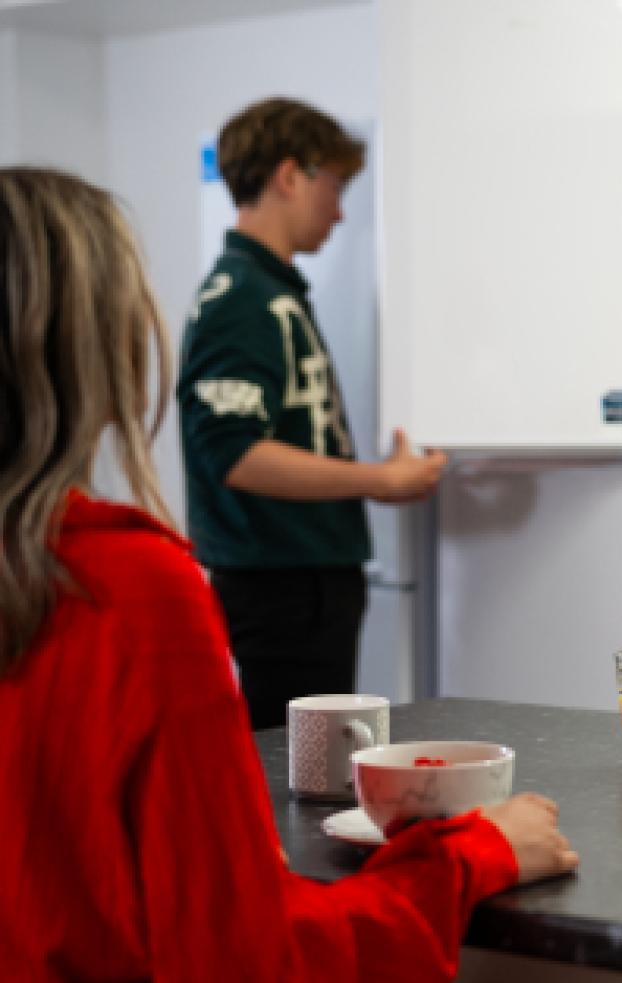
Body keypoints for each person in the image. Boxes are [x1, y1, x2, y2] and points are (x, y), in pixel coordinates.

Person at [0, 166, 579, 981]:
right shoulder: (126, 588)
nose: (344, 210)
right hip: (281, 588)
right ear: (93, 346)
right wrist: (470, 853)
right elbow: (248, 954)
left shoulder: (279, 295)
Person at [177, 97, 443, 729]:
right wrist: (380, 480)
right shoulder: (244, 299)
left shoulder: (266, 292)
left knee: (306, 766)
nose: (340, 208)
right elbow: (234, 453)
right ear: (289, 177)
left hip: (296, 582)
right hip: (282, 587)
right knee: (296, 774)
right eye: (334, 186)